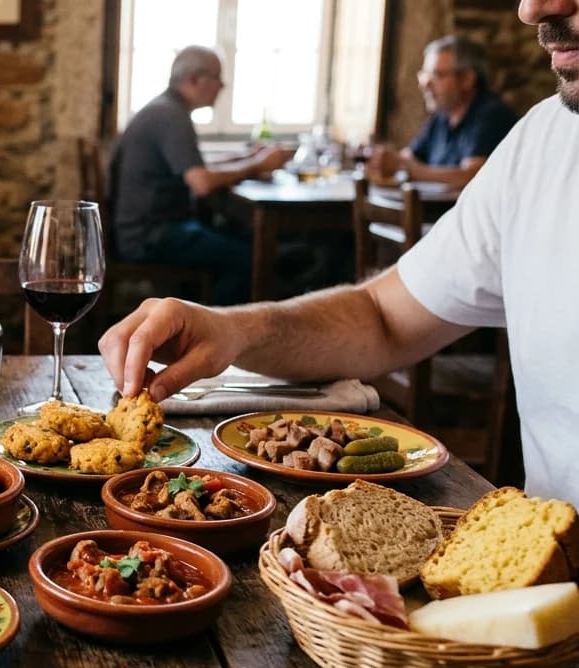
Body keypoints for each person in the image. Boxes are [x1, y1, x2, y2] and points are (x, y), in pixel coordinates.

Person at [98, 0, 579, 504]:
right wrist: (231, 329)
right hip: (547, 572)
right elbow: (381, 316)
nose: (531, 9)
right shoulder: (539, 141)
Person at [112, 46, 292, 306]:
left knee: (246, 241)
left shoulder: (164, 108)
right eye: (217, 77)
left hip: (144, 229)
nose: (222, 85)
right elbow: (202, 183)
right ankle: (214, 333)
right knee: (250, 260)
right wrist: (257, 164)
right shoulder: (171, 117)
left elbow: (195, 167)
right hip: (151, 237)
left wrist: (246, 159)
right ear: (194, 80)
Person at [368, 35, 518, 188]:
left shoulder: (492, 116)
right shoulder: (442, 117)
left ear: (467, 79)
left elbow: (472, 176)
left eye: (436, 75)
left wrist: (405, 167)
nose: (425, 84)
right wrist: (385, 161)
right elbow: (411, 157)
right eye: (424, 75)